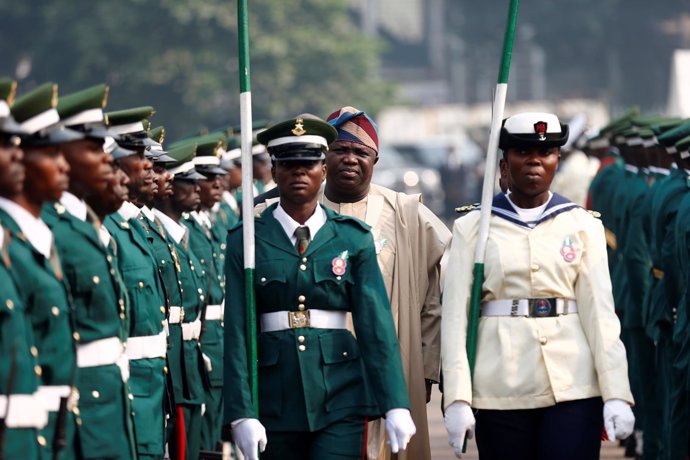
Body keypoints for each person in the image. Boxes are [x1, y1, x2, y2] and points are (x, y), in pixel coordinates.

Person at [441, 112, 635, 460]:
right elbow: (456, 319)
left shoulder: (581, 225)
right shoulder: (474, 226)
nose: (534, 161)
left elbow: (601, 317)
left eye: (545, 154)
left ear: (557, 160)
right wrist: (456, 397)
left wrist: (617, 391)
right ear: (504, 163)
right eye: (522, 152)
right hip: (500, 385)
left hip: (573, 385)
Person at [223, 114, 415, 460]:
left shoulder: (351, 237)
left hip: (340, 393)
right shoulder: (247, 239)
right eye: (289, 163)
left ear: (323, 170)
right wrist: (241, 411)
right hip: (273, 396)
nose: (299, 172)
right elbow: (237, 332)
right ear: (274, 170)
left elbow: (377, 327)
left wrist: (395, 403)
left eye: (308, 163)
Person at [324, 106, 451, 460]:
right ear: (325, 157)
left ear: (375, 159)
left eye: (360, 152)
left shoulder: (406, 214)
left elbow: (434, 297)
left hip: (391, 366)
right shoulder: (300, 207)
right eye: (341, 150)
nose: (350, 159)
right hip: (318, 371)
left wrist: (425, 367)